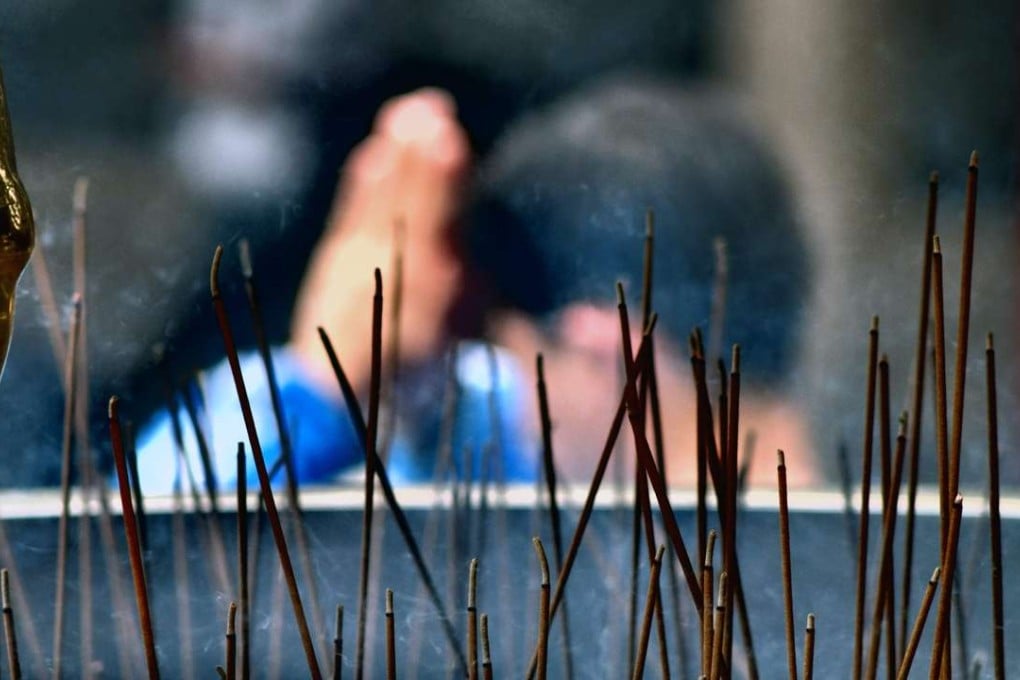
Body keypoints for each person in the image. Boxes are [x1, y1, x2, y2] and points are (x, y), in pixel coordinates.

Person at [135, 76, 817, 493]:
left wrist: (318, 384)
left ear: (604, 350)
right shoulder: (893, 565)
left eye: (519, 358)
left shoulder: (547, 497)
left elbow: (112, 583)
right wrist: (346, 386)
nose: (521, 410)